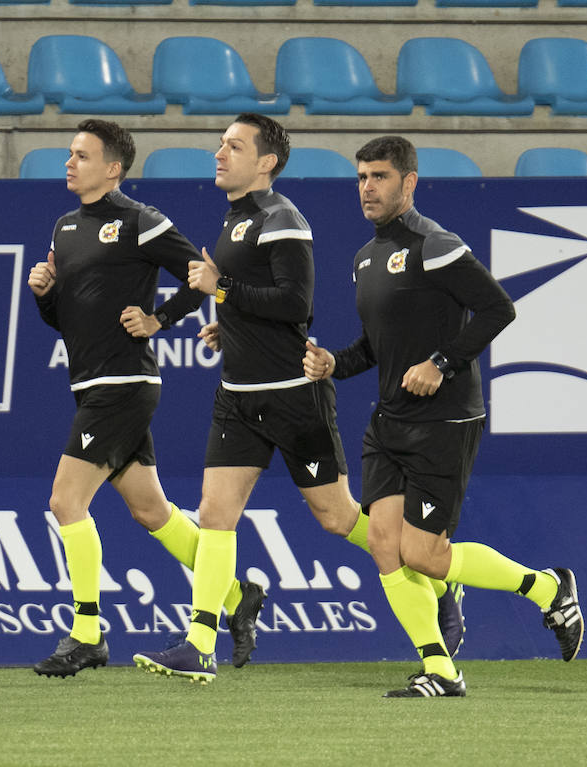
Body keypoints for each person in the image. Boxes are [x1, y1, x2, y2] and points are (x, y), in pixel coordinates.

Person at [131, 114, 462, 685]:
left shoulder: (284, 220)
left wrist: (224, 292)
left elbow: (293, 304)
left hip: (293, 396)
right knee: (214, 514)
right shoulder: (235, 218)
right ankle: (198, 644)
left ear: (266, 163)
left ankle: (438, 581)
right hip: (238, 395)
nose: (220, 153)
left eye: (234, 146)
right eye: (220, 144)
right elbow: (251, 303)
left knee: (337, 517)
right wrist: (227, 324)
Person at [303, 136, 584, 698]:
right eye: (361, 177)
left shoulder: (437, 244)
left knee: (425, 556)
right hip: (389, 423)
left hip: (444, 422)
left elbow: (498, 307)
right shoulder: (364, 258)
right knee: (384, 543)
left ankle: (547, 589)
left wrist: (440, 362)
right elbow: (376, 346)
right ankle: (440, 669)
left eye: (379, 176)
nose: (367, 187)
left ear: (409, 183)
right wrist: (335, 363)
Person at [27, 119, 266, 678]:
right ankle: (236, 596)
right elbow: (67, 320)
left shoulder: (138, 219)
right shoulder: (64, 228)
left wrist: (162, 318)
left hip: (123, 385)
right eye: (69, 154)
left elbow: (204, 274)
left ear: (113, 168)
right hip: (93, 382)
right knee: (150, 510)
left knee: (66, 502)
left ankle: (87, 633)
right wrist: (46, 296)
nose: (69, 162)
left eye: (81, 155)